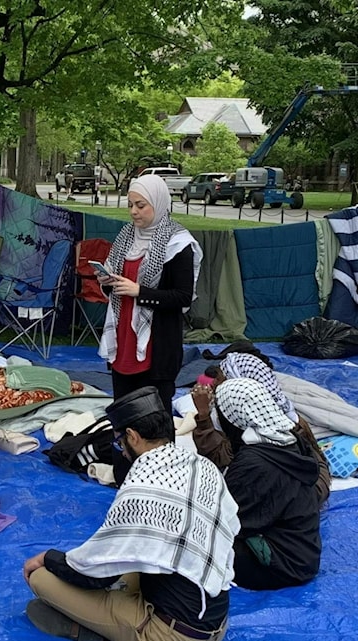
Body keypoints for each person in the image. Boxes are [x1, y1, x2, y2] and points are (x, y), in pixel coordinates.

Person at [23, 387, 240, 641]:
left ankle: (98, 631)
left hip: (173, 638)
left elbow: (93, 574)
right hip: (216, 622)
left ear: (132, 437)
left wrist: (47, 559)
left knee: (41, 579)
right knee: (129, 570)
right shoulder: (202, 465)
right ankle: (117, 616)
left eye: (119, 442)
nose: (120, 450)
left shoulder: (142, 482)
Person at [97, 173, 201, 414]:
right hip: (124, 338)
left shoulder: (178, 243)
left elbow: (183, 297)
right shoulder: (126, 236)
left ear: (158, 202)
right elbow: (117, 283)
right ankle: (126, 451)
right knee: (124, 412)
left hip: (157, 343)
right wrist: (107, 281)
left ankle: (160, 453)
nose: (134, 211)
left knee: (155, 416)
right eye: (130, 205)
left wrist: (140, 292)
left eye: (141, 205)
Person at [212, 378, 322, 590]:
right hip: (304, 554)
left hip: (280, 565)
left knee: (196, 545)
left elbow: (229, 521)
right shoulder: (288, 439)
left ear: (234, 417)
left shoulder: (254, 463)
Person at [190, 351, 331, 504]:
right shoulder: (275, 423)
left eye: (222, 378)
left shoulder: (254, 452)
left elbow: (219, 457)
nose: (215, 383)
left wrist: (204, 416)